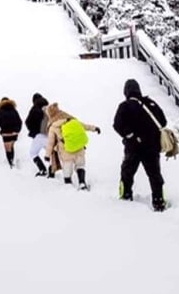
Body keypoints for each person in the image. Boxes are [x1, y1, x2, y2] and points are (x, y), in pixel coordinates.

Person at [112, 79, 168, 211]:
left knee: (127, 173)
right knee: (155, 175)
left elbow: (117, 125)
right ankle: (159, 201)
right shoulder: (151, 103)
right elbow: (163, 122)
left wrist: (130, 134)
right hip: (152, 147)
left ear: (126, 91)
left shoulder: (124, 106)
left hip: (133, 147)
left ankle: (126, 196)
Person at [55, 110, 102, 190]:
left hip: (67, 152)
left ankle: (68, 186)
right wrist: (95, 128)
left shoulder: (56, 127)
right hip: (79, 150)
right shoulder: (75, 122)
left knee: (67, 169)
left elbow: (54, 141)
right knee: (80, 166)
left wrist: (55, 149)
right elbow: (86, 126)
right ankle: (82, 182)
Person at [23, 93, 51, 176]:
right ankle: (52, 172)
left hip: (39, 135)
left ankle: (42, 170)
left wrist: (33, 132)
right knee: (50, 153)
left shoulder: (34, 108)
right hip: (50, 135)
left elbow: (27, 122)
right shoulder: (49, 108)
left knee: (33, 153)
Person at [0, 97, 23, 167]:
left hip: (6, 133)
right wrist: (18, 130)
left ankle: (11, 164)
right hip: (14, 133)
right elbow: (20, 122)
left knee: (7, 149)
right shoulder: (14, 110)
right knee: (12, 147)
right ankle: (12, 161)